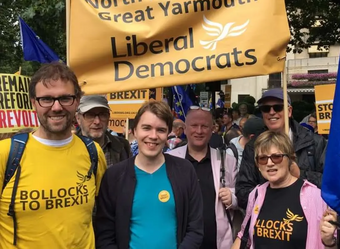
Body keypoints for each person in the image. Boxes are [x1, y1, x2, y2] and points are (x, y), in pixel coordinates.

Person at [0, 62, 107, 248]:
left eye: (65, 98)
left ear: (77, 101)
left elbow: (104, 215)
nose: (56, 107)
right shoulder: (6, 154)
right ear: (34, 102)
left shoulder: (93, 152)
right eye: (47, 99)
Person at [95, 101, 203, 249]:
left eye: (160, 130)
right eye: (146, 128)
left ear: (168, 133)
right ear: (134, 131)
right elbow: (104, 233)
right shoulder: (114, 177)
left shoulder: (185, 171)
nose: (153, 136)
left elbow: (195, 228)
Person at [232, 131, 327, 249]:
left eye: (276, 157)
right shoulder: (256, 194)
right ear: (258, 165)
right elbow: (243, 236)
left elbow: (331, 242)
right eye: (263, 159)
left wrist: (330, 241)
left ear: (290, 159)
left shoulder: (315, 196)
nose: (270, 163)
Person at [236, 88, 327, 209]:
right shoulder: (253, 146)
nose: (272, 112)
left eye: (278, 107)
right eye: (266, 108)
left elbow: (330, 184)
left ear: (289, 111)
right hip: (270, 219)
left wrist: (300, 174)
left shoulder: (314, 142)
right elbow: (243, 192)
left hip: (307, 218)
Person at [168, 106, 239, 249]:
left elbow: (242, 195)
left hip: (217, 243)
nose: (199, 131)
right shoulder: (170, 160)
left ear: (212, 129)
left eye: (204, 126)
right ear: (185, 128)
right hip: (179, 243)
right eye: (194, 126)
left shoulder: (227, 160)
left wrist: (233, 199)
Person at [76, 95, 131, 167]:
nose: (97, 121)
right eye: (90, 115)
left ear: (108, 117)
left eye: (102, 115)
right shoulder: (68, 149)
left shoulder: (123, 146)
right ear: (78, 119)